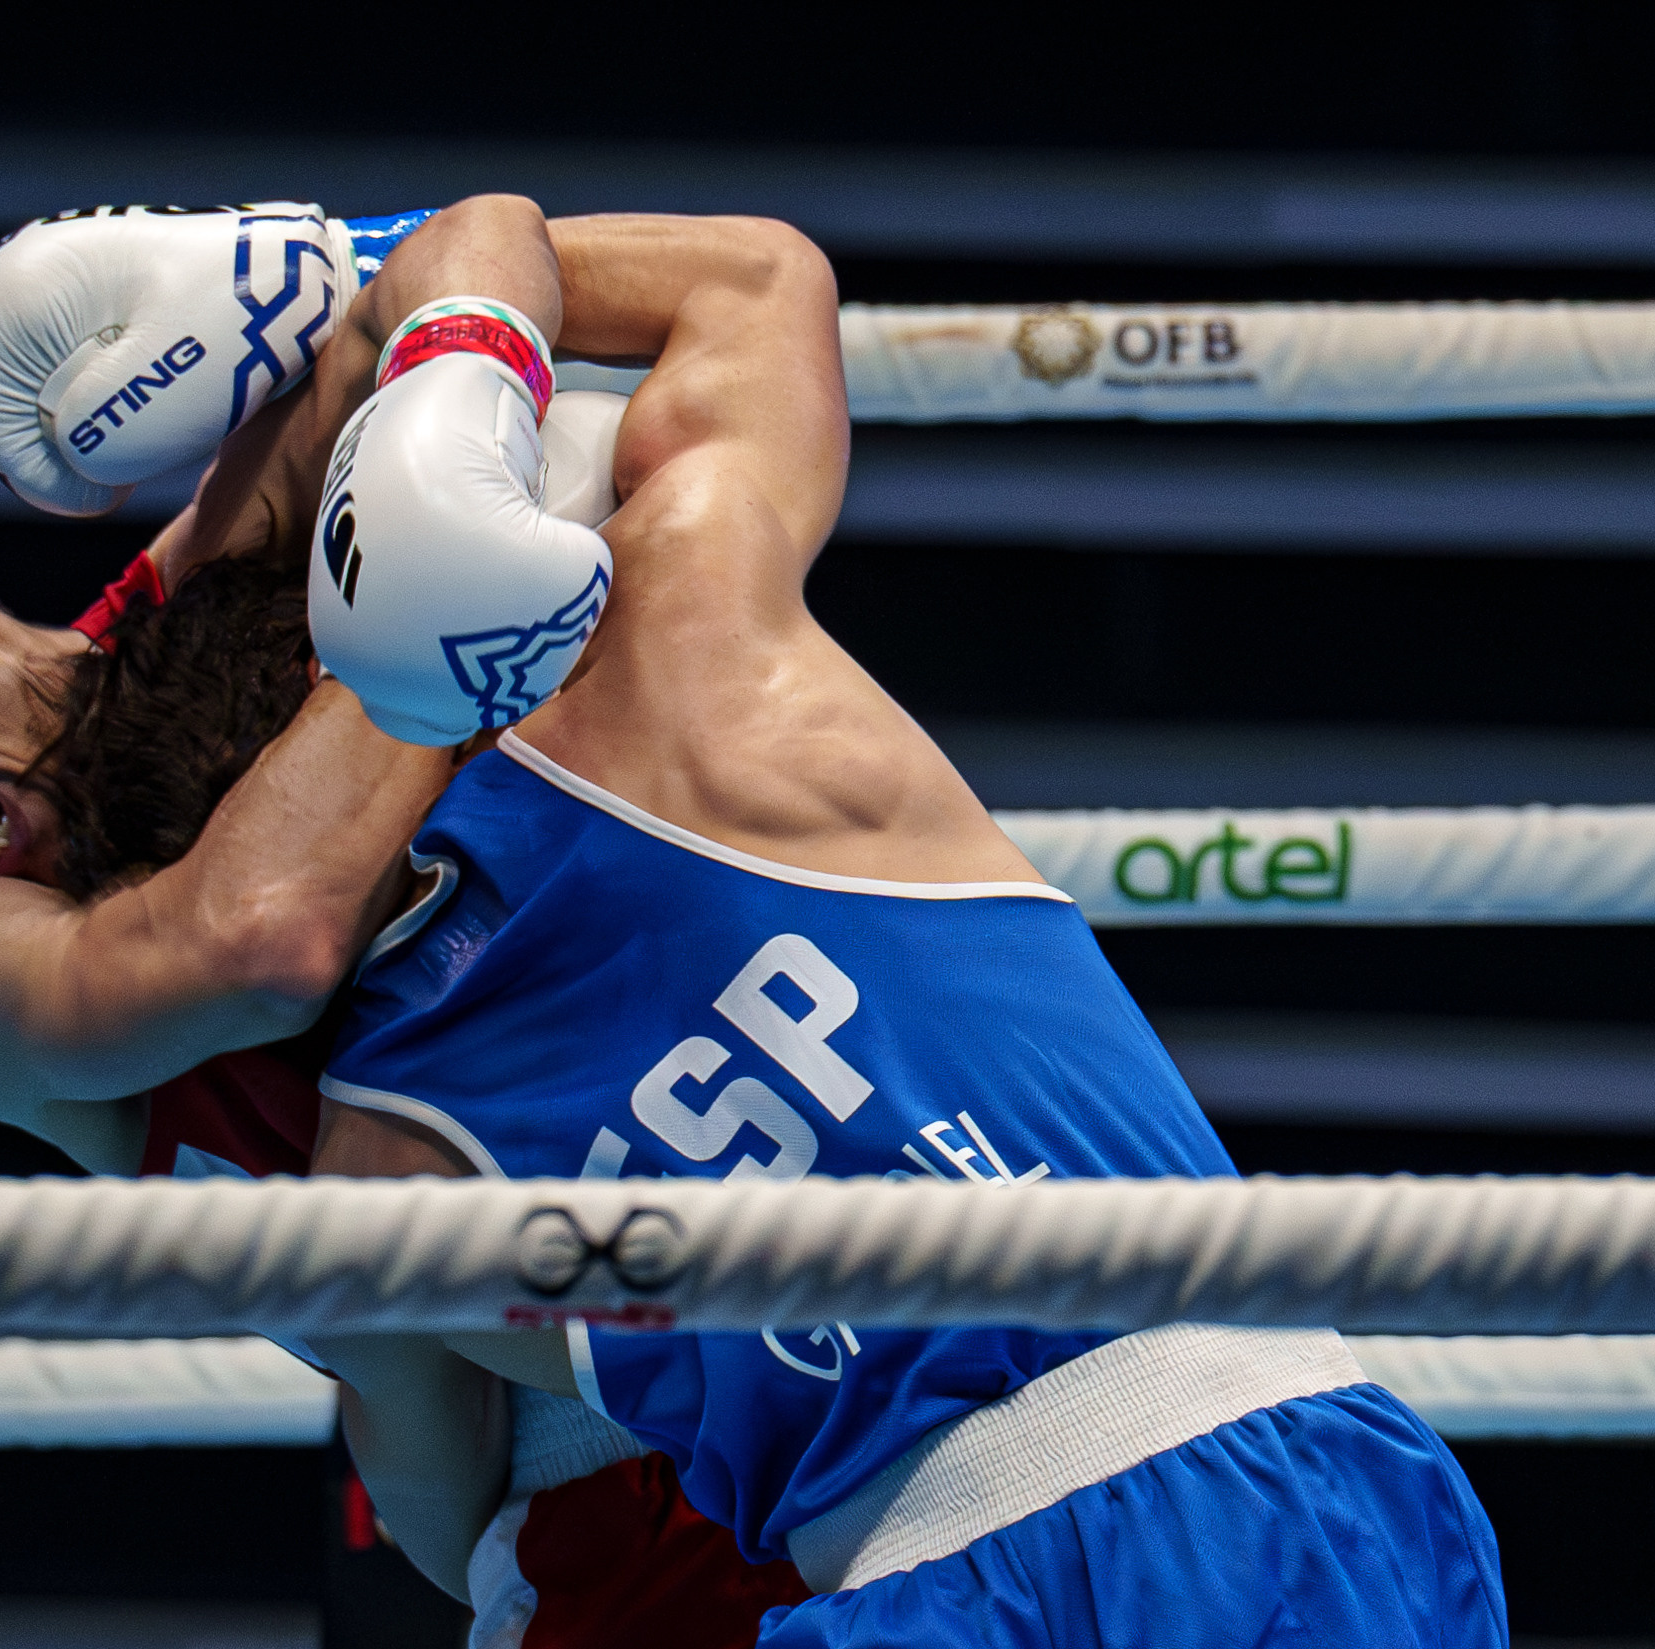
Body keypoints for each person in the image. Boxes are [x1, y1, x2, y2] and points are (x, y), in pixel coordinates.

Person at [0, 199, 812, 1647]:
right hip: (598, 1471)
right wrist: (452, 578)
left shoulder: (231, 563)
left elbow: (710, 267)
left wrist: (354, 273)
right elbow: (259, 941)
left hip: (853, 1233)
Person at [289, 211, 1510, 1645]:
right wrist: (392, 304)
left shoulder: (368, 1159)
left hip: (949, 1560)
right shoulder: (698, 650)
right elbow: (752, 278)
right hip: (1267, 1481)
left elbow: (452, 1527)